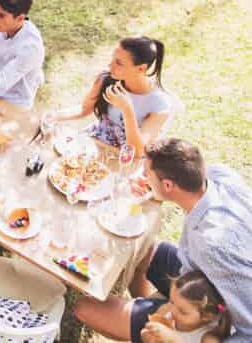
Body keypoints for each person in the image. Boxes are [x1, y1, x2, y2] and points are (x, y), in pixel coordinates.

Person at [75, 138, 252, 343]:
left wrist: (175, 339)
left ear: (168, 184)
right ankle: (152, 307)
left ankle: (156, 330)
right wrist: (156, 191)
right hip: (198, 277)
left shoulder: (213, 246)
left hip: (212, 317)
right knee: (143, 249)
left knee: (84, 308)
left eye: (146, 173)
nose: (142, 176)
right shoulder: (220, 176)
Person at [50, 36, 170, 157]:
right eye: (112, 59)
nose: (110, 65)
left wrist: (127, 110)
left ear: (141, 68)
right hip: (93, 141)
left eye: (119, 63)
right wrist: (54, 116)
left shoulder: (159, 105)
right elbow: (84, 109)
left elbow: (137, 152)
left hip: (124, 157)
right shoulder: (106, 79)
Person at [140, 270, 231, 343]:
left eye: (182, 312)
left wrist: (173, 340)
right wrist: (147, 337)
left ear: (207, 316)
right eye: (172, 302)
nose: (172, 311)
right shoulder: (166, 311)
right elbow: (145, 334)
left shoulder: (208, 337)